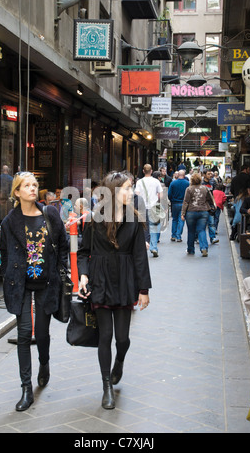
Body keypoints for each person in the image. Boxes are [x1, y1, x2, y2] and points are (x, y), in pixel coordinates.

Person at [77, 171, 151, 410]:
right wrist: (84, 275)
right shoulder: (94, 218)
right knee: (105, 336)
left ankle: (119, 362)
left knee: (123, 338)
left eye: (132, 188)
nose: (132, 192)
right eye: (128, 188)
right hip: (99, 280)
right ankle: (106, 385)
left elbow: (140, 256)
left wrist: (143, 289)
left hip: (125, 281)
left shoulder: (135, 220)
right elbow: (83, 251)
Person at [0, 172, 69, 412]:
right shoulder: (9, 221)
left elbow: (62, 243)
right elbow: (5, 254)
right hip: (21, 284)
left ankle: (44, 363)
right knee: (23, 334)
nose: (32, 188)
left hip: (47, 282)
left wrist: (62, 269)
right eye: (26, 185)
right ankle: (26, 388)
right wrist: (10, 280)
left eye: (34, 185)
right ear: (17, 192)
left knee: (41, 333)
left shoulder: (49, 214)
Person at [181, 173, 214, 257]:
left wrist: (183, 213)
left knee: (191, 231)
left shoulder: (189, 189)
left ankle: (191, 249)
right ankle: (204, 248)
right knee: (201, 230)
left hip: (191, 212)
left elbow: (186, 202)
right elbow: (210, 199)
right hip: (203, 211)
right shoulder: (205, 188)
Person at [135, 164, 163, 257]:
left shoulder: (139, 182)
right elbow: (161, 195)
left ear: (143, 171)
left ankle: (145, 244)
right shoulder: (156, 181)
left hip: (142, 207)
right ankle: (154, 247)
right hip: (154, 206)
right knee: (154, 227)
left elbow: (137, 194)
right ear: (151, 171)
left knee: (143, 227)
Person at [168, 169, 189, 242]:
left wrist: (172, 200)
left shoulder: (173, 183)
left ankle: (173, 235)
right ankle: (178, 236)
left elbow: (169, 194)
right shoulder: (187, 183)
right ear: (184, 175)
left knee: (174, 219)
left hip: (175, 203)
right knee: (181, 220)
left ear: (177, 175)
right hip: (183, 204)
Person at [202, 169, 219, 244]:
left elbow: (212, 194)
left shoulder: (212, 183)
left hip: (210, 206)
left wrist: (214, 203)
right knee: (201, 223)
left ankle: (212, 238)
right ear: (204, 175)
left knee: (211, 222)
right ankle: (198, 238)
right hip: (202, 206)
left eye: (211, 174)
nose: (210, 175)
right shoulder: (201, 183)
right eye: (208, 174)